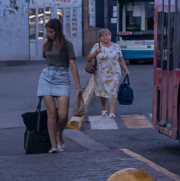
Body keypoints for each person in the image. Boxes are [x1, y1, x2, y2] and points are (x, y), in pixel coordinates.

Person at [36, 18, 80, 153]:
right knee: (51, 113)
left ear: (58, 31)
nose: (48, 34)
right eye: (47, 32)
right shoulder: (46, 45)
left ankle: (59, 134)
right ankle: (53, 145)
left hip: (62, 78)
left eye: (51, 32)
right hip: (46, 77)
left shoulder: (67, 45)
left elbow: (72, 65)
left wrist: (78, 86)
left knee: (62, 114)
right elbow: (47, 61)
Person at [87, 28, 128, 118]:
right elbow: (89, 58)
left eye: (107, 35)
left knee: (113, 90)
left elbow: (120, 59)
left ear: (110, 36)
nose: (105, 37)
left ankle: (112, 111)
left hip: (114, 73)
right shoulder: (97, 46)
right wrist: (95, 53)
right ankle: (104, 107)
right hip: (100, 73)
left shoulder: (116, 46)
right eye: (103, 36)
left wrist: (126, 70)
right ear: (100, 38)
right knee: (101, 91)